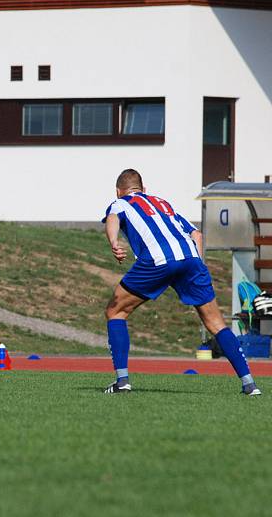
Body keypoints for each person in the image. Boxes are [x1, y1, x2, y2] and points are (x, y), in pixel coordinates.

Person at [102, 168, 261, 395]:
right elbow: (197, 235)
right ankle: (249, 384)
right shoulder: (163, 204)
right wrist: (197, 265)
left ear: (119, 191)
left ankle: (122, 381)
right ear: (144, 189)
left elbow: (112, 218)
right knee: (216, 322)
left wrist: (114, 242)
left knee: (115, 312)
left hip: (157, 261)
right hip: (191, 259)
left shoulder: (120, 203)